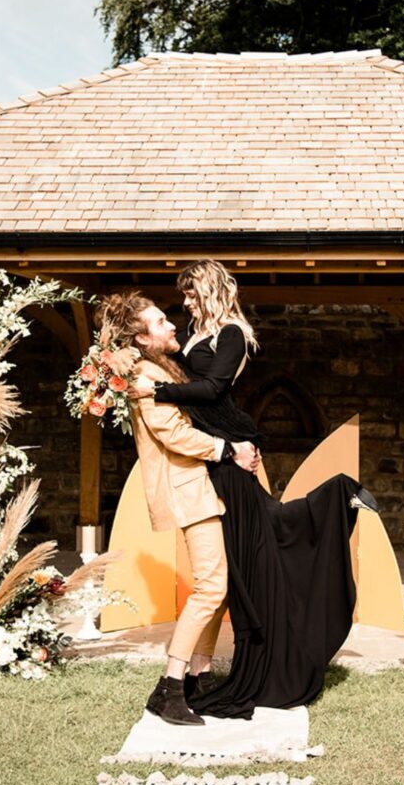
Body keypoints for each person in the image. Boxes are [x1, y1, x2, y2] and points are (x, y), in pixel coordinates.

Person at [126, 259, 379, 719]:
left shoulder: (232, 334)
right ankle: (195, 677)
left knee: (268, 535)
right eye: (178, 301)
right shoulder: (193, 333)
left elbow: (211, 388)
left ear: (208, 290)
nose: (182, 304)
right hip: (219, 458)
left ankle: (339, 493)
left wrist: (156, 393)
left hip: (228, 452)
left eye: (188, 294)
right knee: (237, 567)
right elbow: (169, 370)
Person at [94, 291, 260, 726]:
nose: (172, 327)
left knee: (217, 586)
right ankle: (169, 687)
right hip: (186, 488)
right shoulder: (143, 373)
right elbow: (173, 435)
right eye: (160, 323)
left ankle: (198, 676)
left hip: (199, 486)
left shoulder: (161, 367)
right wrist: (229, 450)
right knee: (210, 588)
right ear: (142, 339)